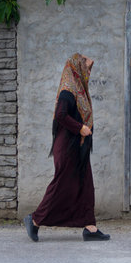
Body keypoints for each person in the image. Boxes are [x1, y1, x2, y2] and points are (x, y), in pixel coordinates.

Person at [24, 53, 110, 242]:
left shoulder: (78, 89)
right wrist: (80, 128)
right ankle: (35, 220)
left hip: (78, 147)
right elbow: (61, 115)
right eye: (86, 68)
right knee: (62, 186)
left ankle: (90, 227)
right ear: (77, 68)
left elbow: (84, 74)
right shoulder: (67, 90)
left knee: (85, 184)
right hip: (67, 148)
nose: (88, 72)